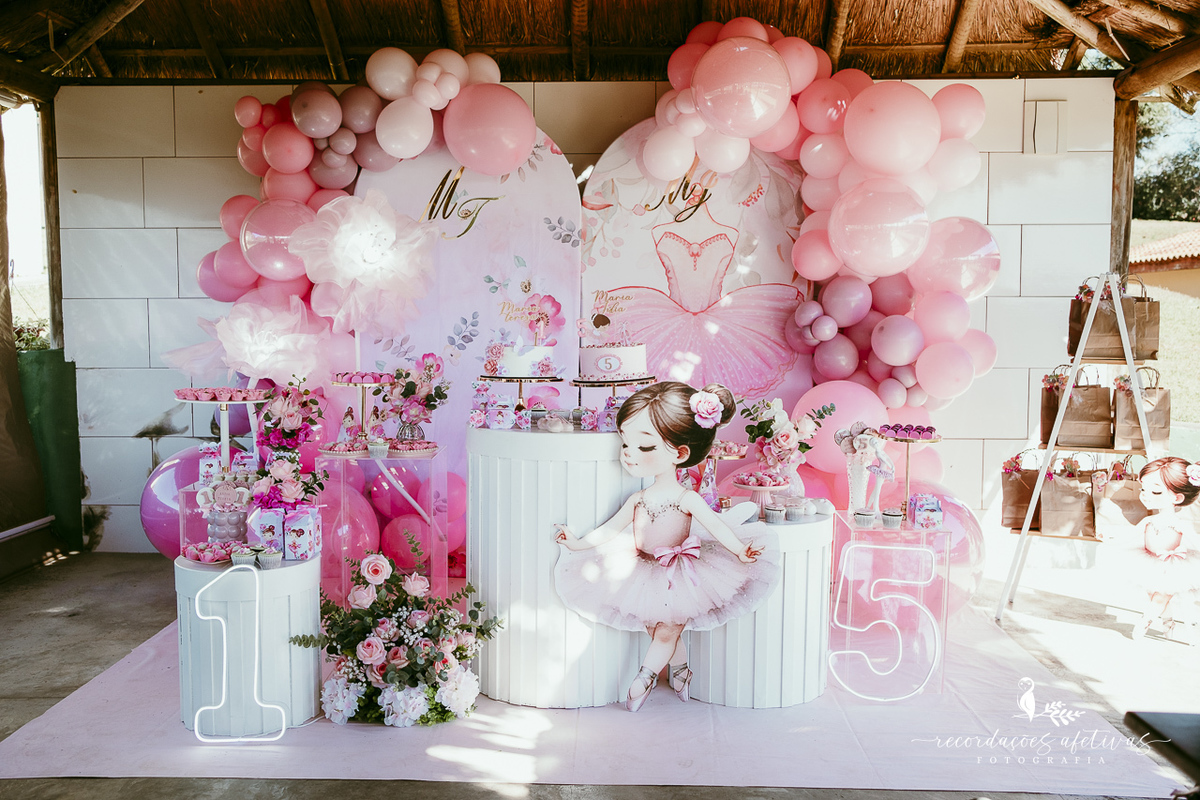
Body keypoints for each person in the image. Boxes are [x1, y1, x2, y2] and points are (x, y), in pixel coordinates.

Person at [553, 381, 779, 712]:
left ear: (680, 453)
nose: (628, 453)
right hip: (642, 569)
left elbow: (715, 524)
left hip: (684, 572)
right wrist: (576, 544)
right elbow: (609, 529)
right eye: (626, 443)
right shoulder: (638, 498)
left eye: (645, 448)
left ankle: (643, 678)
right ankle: (682, 670)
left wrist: (738, 550)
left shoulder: (686, 497)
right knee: (656, 626)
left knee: (667, 630)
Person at [1129, 456, 1200, 639]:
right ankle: (1168, 621)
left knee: (1162, 593)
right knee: (1154, 592)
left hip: (1174, 566)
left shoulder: (1179, 524)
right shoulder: (1148, 521)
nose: (1145, 495)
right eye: (1143, 489)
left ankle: (1146, 620)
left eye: (1156, 492)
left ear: (1177, 497)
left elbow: (1193, 540)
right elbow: (1133, 535)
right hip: (1151, 562)